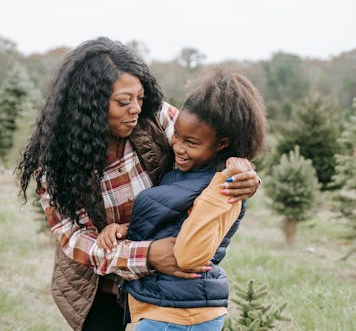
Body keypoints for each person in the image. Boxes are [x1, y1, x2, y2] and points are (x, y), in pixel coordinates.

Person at [16, 37, 261, 331]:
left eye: (140, 98)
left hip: (163, 288)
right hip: (101, 285)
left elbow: (213, 144)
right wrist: (149, 255)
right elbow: (75, 240)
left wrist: (244, 173)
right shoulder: (55, 164)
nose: (135, 108)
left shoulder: (155, 119)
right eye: (123, 102)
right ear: (90, 106)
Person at [97, 68, 267, 331]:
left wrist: (219, 187)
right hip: (160, 306)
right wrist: (123, 231)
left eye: (191, 142)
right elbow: (171, 224)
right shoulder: (184, 173)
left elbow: (188, 255)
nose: (177, 145)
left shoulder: (225, 186)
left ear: (221, 144)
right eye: (176, 135)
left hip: (178, 314)